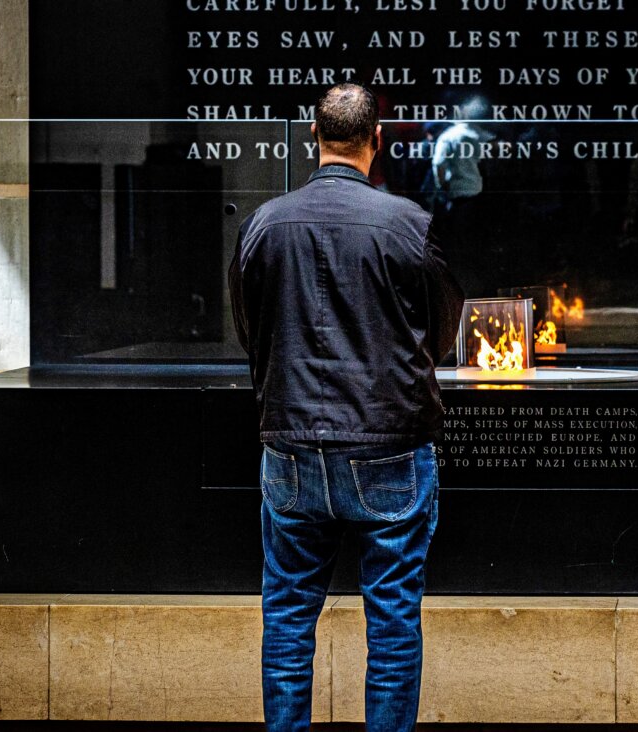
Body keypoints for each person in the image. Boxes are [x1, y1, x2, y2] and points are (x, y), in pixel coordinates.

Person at [229, 83, 464, 732]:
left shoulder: (264, 225)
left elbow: (252, 331)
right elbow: (443, 331)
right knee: (391, 625)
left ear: (313, 136)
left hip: (292, 446)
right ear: (376, 140)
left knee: (287, 618)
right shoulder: (407, 225)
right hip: (387, 446)